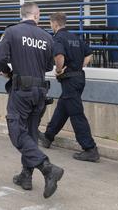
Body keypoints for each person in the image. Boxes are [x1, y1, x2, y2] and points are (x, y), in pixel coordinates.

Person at [0, 2, 64, 199]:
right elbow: (50, 67)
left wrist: (8, 73)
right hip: (40, 92)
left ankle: (47, 167)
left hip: (22, 90)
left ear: (23, 14)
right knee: (31, 133)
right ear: (35, 16)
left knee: (16, 130)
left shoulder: (12, 32)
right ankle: (26, 175)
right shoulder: (47, 37)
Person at [38, 12, 99, 162]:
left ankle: (90, 148)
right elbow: (89, 54)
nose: (50, 26)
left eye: (51, 24)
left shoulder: (58, 38)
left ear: (55, 24)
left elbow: (59, 56)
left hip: (70, 79)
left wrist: (58, 70)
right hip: (78, 78)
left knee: (76, 114)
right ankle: (48, 136)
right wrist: (80, 65)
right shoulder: (75, 37)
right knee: (63, 107)